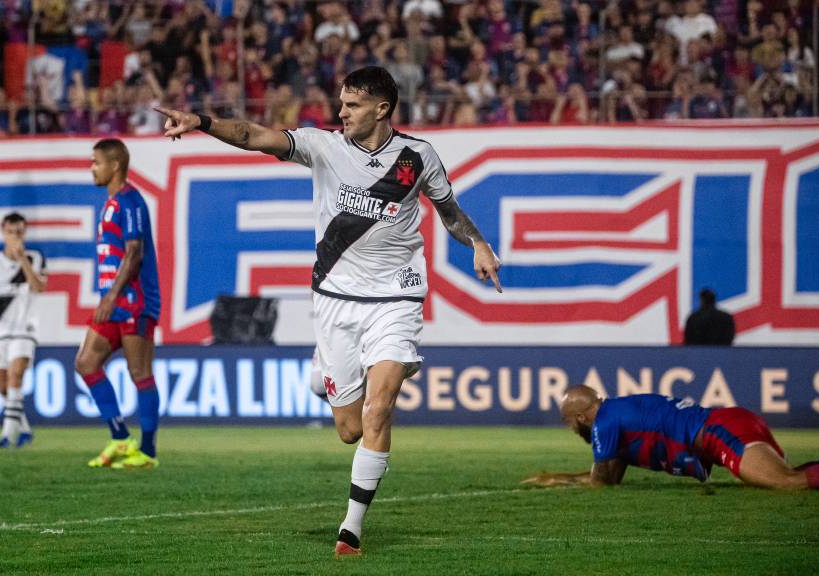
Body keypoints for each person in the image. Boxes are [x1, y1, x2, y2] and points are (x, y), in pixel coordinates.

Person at [156, 66, 502, 556]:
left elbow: (449, 210)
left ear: (382, 108)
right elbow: (255, 135)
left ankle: (351, 530)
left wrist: (479, 245)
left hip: (397, 298)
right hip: (336, 299)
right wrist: (201, 122)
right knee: (350, 429)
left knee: (379, 409)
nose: (341, 112)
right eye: (341, 103)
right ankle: (325, 374)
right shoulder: (324, 146)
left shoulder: (418, 156)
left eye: (352, 105)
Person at [521, 386, 819, 490]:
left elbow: (599, 483)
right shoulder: (618, 413)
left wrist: (556, 480)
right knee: (789, 476)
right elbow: (610, 477)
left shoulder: (604, 422)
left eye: (568, 421)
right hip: (731, 422)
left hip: (718, 433)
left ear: (581, 417)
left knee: (788, 482)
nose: (569, 427)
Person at [74, 138, 162, 470]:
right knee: (86, 363)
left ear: (114, 166)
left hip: (135, 300)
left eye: (95, 162)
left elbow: (134, 253)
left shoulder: (131, 201)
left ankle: (148, 452)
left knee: (139, 371)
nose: (92, 168)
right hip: (114, 300)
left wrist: (111, 296)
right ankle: (121, 438)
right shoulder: (111, 203)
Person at [0, 212, 47, 448]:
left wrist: (22, 259)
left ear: (24, 232)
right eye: (11, 232)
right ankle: (23, 428)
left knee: (16, 376)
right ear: (3, 231)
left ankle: (7, 435)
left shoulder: (34, 257)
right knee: (3, 387)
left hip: (24, 328)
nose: (15, 236)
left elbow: (38, 287)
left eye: (19, 232)